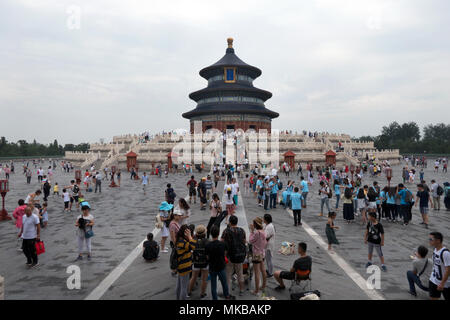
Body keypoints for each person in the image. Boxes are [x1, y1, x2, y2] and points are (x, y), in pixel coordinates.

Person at [205, 225, 235, 300]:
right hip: (221, 266)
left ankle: (215, 298)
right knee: (224, 283)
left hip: (212, 267)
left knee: (213, 285)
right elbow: (225, 253)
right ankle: (227, 296)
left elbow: (207, 257)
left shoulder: (208, 245)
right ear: (218, 234)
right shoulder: (223, 244)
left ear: (211, 234)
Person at [221, 215, 246, 296]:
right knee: (240, 273)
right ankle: (242, 289)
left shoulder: (226, 231)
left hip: (229, 255)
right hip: (239, 255)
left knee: (228, 274)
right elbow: (244, 241)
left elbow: (222, 241)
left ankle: (227, 292)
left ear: (230, 222)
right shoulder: (242, 230)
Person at [175, 225, 196, 300]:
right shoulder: (183, 242)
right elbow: (194, 246)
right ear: (185, 233)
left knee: (179, 286)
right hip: (184, 266)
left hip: (180, 265)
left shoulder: (179, 240)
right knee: (184, 287)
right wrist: (190, 237)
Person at [189, 225, 209, 299]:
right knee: (204, 279)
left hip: (196, 262)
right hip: (205, 262)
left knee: (193, 277)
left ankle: (189, 292)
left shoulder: (193, 240)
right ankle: (202, 293)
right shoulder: (207, 241)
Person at [428, 232, 450, 300]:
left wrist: (442, 283)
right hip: (433, 279)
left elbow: (448, 269)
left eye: (431, 239)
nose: (429, 241)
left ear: (438, 240)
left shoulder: (445, 253)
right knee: (433, 297)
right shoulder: (435, 249)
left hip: (444, 283)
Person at [249, 217, 267, 296]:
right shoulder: (263, 231)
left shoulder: (257, 233)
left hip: (256, 254)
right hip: (262, 252)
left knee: (256, 272)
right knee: (263, 270)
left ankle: (256, 290)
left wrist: (252, 231)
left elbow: (251, 240)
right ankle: (263, 285)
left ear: (256, 224)